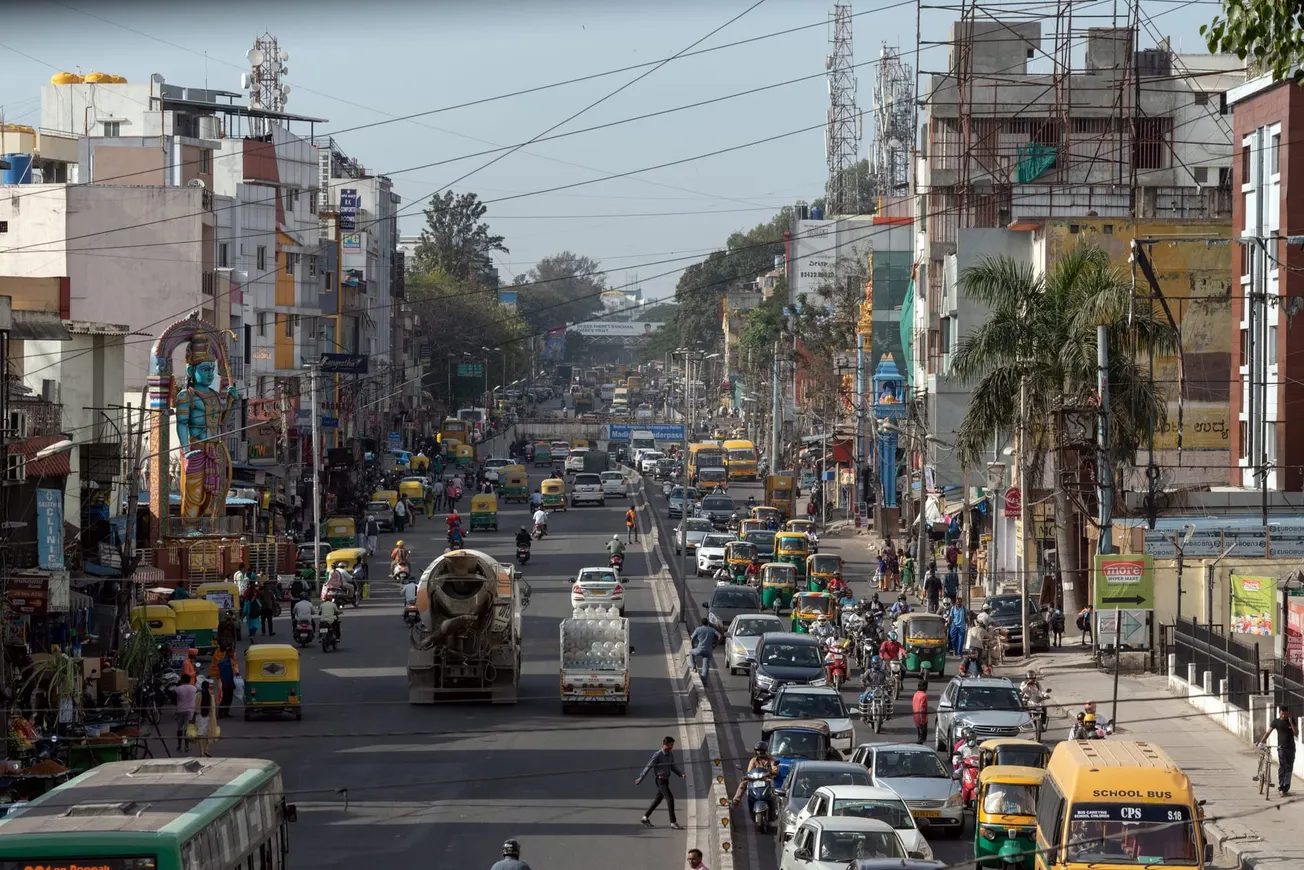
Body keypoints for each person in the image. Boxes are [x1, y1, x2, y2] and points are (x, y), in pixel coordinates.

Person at [637, 736, 685, 829]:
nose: (672, 747)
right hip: (660, 780)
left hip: (666, 780)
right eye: (670, 745)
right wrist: (641, 777)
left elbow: (672, 766)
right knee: (670, 799)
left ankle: (645, 817)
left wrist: (680, 774)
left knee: (658, 799)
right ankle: (673, 822)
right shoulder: (658, 755)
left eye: (672, 745)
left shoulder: (670, 754)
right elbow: (649, 765)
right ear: (665, 744)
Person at [1260, 705, 1298, 796]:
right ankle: (1281, 787)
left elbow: (1296, 733)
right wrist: (1262, 742)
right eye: (1283, 712)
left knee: (1289, 768)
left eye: (1286, 712)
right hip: (1281, 748)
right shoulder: (1276, 722)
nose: (1284, 714)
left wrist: (1290, 722)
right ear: (1280, 712)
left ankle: (1286, 788)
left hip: (1291, 748)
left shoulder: (1291, 720)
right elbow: (1268, 732)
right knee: (1282, 766)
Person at [731, 741, 779, 806]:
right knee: (743, 783)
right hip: (754, 780)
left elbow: (775, 769)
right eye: (758, 750)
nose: (759, 752)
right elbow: (749, 772)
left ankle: (777, 805)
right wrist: (746, 777)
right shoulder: (753, 760)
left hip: (767, 780)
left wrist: (772, 772)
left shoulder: (771, 759)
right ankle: (735, 801)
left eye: (761, 750)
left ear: (765, 750)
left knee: (775, 787)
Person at [209, 643, 240, 719]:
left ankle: (226, 712)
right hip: (226, 683)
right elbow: (223, 674)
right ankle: (220, 713)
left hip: (230, 682)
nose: (233, 654)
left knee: (229, 698)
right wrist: (224, 683)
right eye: (232, 652)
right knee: (225, 699)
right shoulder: (223, 662)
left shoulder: (229, 661)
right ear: (229, 653)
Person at [173, 673, 197, 753]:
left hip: (180, 710)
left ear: (182, 680)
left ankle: (179, 745)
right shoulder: (194, 688)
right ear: (190, 680)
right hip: (190, 711)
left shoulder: (177, 689)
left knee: (179, 729)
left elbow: (174, 700)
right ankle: (187, 746)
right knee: (187, 729)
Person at [195, 679, 216, 757]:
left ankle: (201, 751)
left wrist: (192, 718)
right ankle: (207, 749)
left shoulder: (198, 695)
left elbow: (195, 706)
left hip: (199, 716)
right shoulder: (210, 695)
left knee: (200, 734)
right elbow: (212, 708)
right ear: (208, 687)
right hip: (207, 717)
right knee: (208, 734)